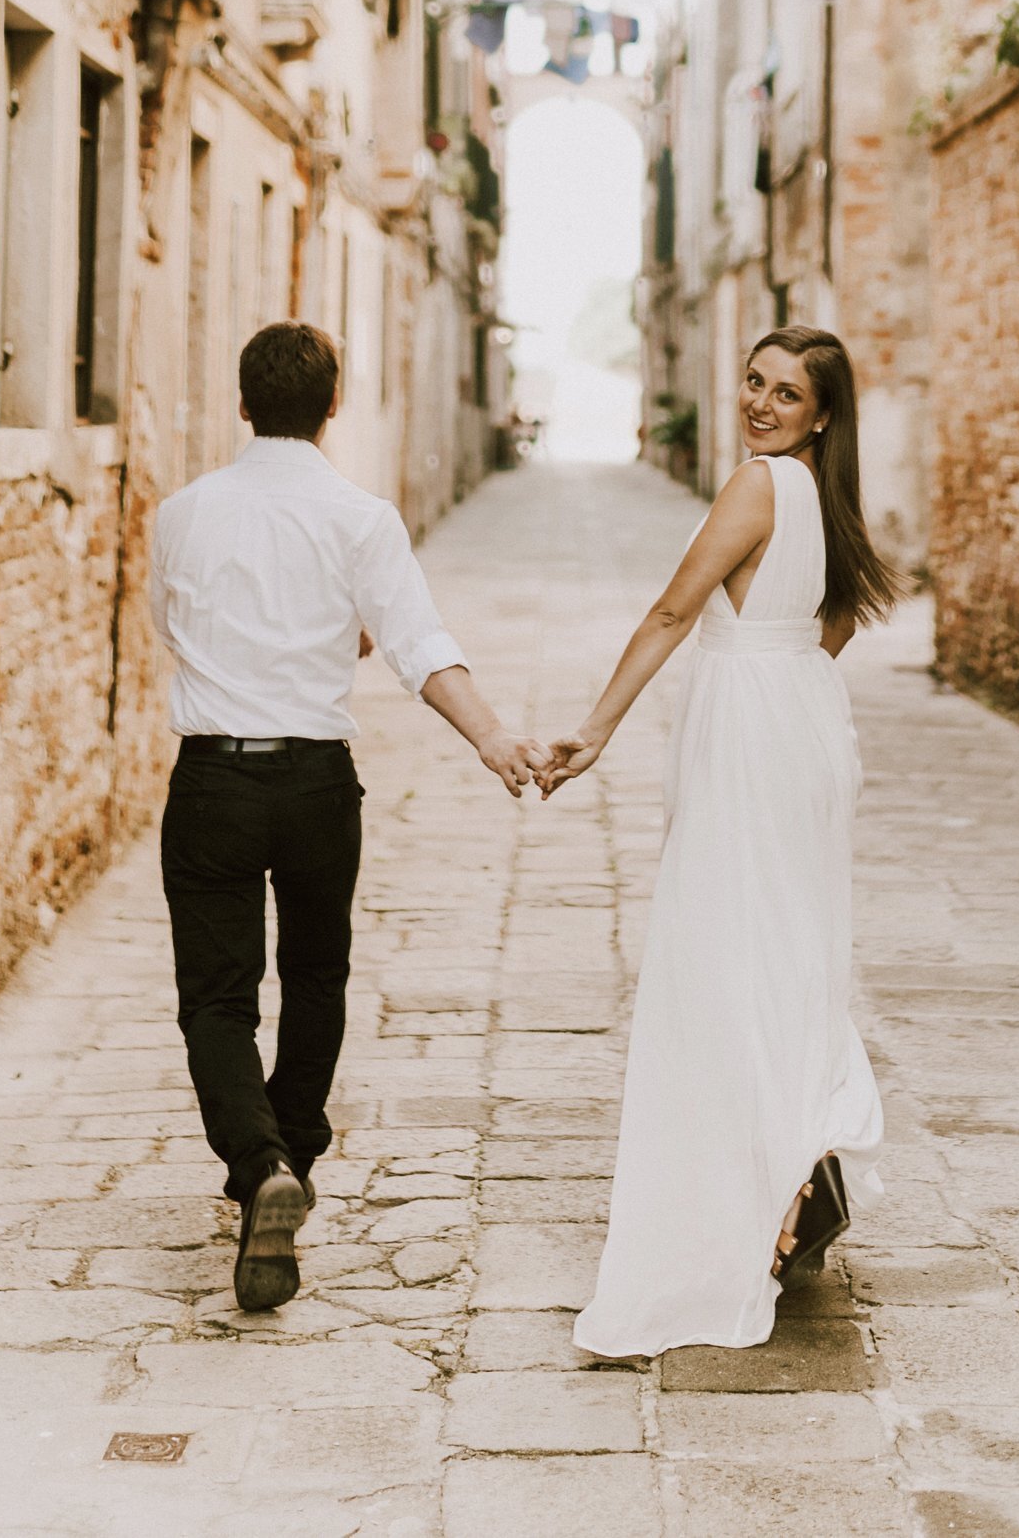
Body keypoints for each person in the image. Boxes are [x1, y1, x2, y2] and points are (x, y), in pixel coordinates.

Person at [150, 320, 541, 1313]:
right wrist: (494, 740)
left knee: (216, 998)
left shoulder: (181, 514)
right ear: (333, 406)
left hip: (213, 782)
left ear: (241, 404)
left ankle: (257, 1166)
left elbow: (181, 627)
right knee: (316, 976)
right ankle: (292, 1157)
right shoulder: (359, 518)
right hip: (318, 783)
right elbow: (416, 643)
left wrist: (297, 635)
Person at [540, 325, 896, 1357]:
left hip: (747, 735)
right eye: (753, 382)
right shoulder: (828, 499)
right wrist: (773, 669)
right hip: (801, 722)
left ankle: (759, 1187)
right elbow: (828, 626)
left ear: (819, 413)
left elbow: (669, 611)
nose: (760, 403)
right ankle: (799, 1159)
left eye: (787, 393)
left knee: (721, 958)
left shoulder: (758, 486)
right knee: (788, 955)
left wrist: (596, 728)